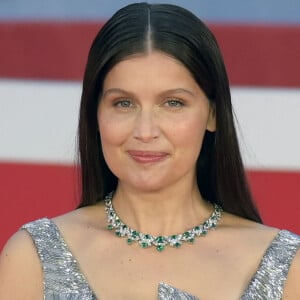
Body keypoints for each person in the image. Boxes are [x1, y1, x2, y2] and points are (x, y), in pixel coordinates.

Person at [0, 2, 299, 299]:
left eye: (173, 103)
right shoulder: (33, 260)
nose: (145, 131)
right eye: (123, 103)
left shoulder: (287, 268)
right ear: (95, 114)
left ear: (212, 114)